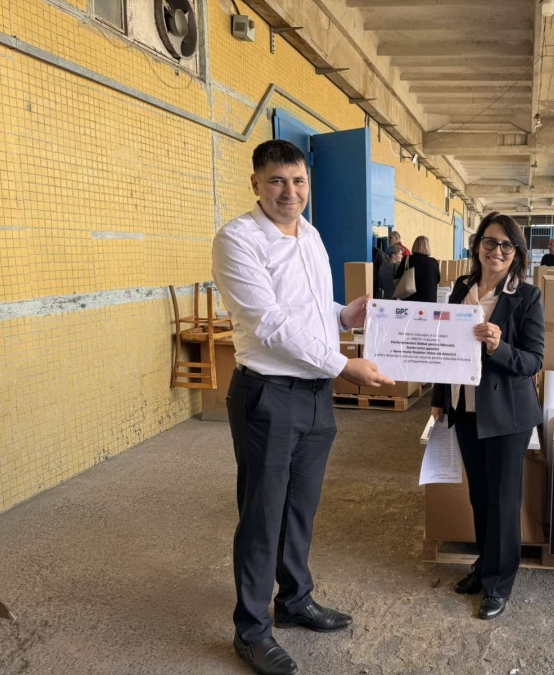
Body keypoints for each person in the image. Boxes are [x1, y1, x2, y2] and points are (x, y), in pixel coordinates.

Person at [212, 140, 395, 675]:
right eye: (276, 181)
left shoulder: (310, 235)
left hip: (315, 396)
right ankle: (251, 631)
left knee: (300, 508)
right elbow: (269, 323)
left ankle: (294, 600)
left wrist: (343, 315)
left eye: (298, 181)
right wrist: (343, 365)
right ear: (256, 184)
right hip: (268, 394)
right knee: (262, 514)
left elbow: (308, 308)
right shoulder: (238, 240)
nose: (289, 192)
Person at [430, 212, 545, 621]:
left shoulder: (526, 296)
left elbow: (534, 360)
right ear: (478, 245)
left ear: (516, 254)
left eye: (506, 245)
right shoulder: (462, 287)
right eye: (490, 242)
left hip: (506, 415)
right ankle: (484, 566)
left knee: (503, 500)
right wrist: (439, 398)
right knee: (480, 496)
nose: (496, 251)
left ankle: (499, 583)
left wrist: (499, 347)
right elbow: (445, 345)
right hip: (465, 408)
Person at [394, 235, 440, 302]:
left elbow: (398, 277)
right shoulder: (433, 262)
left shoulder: (407, 259)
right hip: (429, 298)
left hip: (410, 297)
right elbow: (437, 280)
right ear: (427, 247)